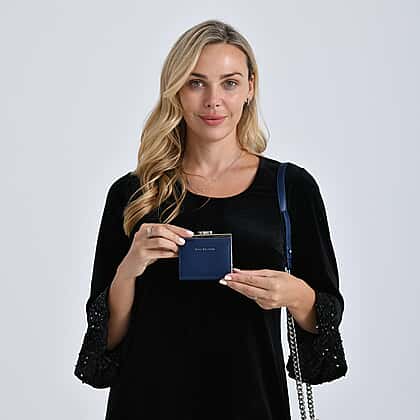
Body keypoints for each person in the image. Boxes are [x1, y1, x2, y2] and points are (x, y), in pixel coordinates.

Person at [74, 19, 347, 420]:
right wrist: (129, 269)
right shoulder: (133, 193)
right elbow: (106, 341)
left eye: (229, 83)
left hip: (252, 402)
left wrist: (293, 295)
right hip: (147, 403)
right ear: (175, 90)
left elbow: (325, 315)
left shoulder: (291, 188)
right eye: (196, 82)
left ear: (250, 87)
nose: (213, 100)